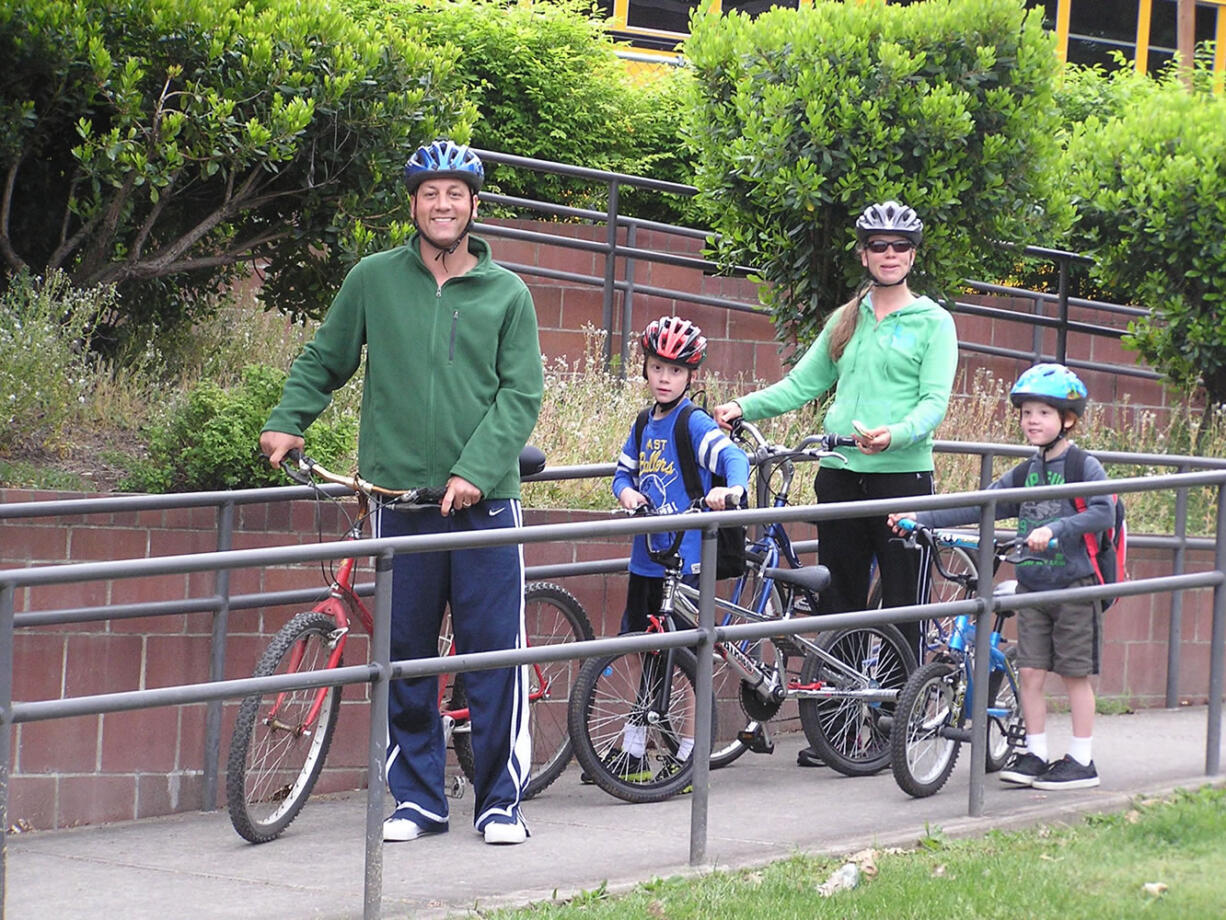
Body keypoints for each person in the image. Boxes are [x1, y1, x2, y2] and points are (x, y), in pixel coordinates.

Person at [259, 139, 544, 845]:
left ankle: (500, 802)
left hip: (486, 510)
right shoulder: (372, 280)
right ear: (412, 205)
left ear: (474, 206)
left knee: (490, 657)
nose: (442, 205)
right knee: (406, 656)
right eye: (429, 194)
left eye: (455, 194)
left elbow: (521, 395)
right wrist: (288, 421)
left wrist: (475, 469)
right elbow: (327, 357)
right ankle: (416, 799)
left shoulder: (508, 293)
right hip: (398, 501)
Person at [712, 201, 958, 767]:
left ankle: (896, 722)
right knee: (840, 600)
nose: (889, 255)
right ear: (865, 254)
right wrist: (741, 405)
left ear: (912, 255)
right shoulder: (847, 318)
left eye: (900, 246)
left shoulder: (933, 322)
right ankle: (841, 732)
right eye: (879, 246)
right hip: (841, 476)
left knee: (902, 604)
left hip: (903, 477)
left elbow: (934, 404)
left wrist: (893, 435)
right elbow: (802, 384)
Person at [888, 363, 1113, 790]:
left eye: (1044, 413)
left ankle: (1082, 761)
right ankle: (1036, 753)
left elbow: (1105, 510)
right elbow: (983, 503)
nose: (1033, 421)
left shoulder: (1084, 466)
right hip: (1032, 588)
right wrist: (919, 515)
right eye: (1027, 412)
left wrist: (1056, 529)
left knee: (1075, 674)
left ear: (1067, 419)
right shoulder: (1027, 472)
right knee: (1030, 672)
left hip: (1074, 587)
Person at [589, 315, 750, 787]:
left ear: (690, 377)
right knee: (641, 645)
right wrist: (628, 495)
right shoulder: (644, 423)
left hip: (687, 560)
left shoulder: (692, 422)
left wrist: (732, 490)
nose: (665, 378)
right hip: (647, 557)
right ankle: (637, 743)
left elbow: (732, 458)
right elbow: (623, 473)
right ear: (645, 368)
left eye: (676, 371)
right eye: (658, 367)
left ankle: (690, 748)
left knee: (686, 657)